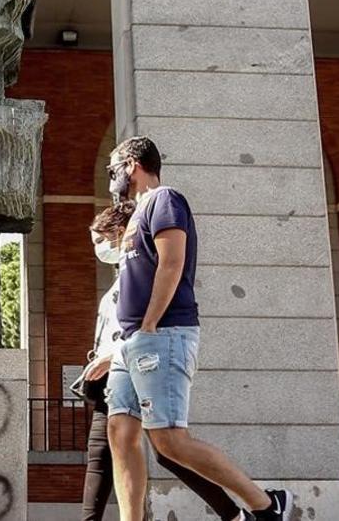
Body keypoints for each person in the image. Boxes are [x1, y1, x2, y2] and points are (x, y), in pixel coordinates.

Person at [104, 136, 294, 521]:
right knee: (120, 433)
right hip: (130, 343)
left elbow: (172, 262)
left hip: (161, 335)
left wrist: (151, 322)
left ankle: (267, 505)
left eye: (113, 170)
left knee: (170, 440)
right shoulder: (136, 215)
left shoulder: (164, 199)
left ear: (132, 165)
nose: (111, 180)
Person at [81, 202, 243, 521]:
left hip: (138, 366)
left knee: (168, 450)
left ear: (122, 232)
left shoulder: (140, 276)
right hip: (113, 380)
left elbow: (147, 325)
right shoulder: (120, 279)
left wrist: (112, 356)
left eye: (102, 239)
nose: (99, 248)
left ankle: (239, 512)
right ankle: (235, 514)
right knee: (102, 457)